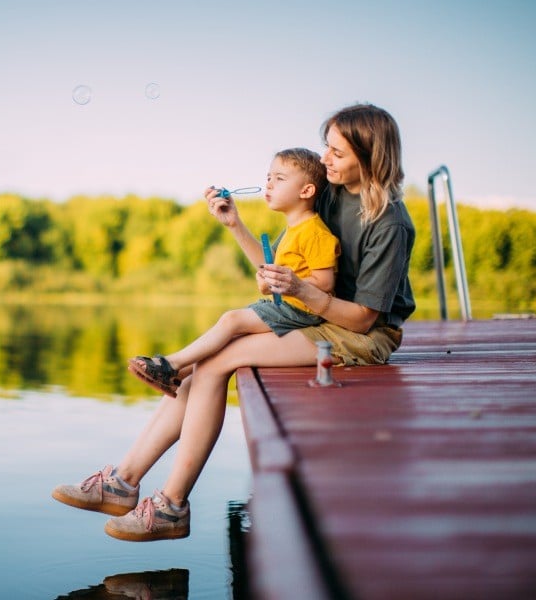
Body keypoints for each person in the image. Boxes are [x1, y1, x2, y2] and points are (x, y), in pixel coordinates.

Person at [51, 103, 415, 542]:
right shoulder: (330, 195)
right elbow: (275, 270)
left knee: (215, 363)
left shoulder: (389, 222)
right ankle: (122, 483)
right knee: (200, 366)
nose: (325, 160)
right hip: (313, 313)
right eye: (326, 147)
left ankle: (171, 506)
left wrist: (301, 290)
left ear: (371, 156)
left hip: (361, 335)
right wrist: (235, 225)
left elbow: (362, 318)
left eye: (337, 153)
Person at [127, 147, 340, 398]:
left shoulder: (315, 233)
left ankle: (171, 364)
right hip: (290, 307)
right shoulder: (294, 229)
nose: (269, 184)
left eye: (279, 179)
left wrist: (282, 283)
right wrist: (271, 280)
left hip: (302, 312)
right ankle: (175, 374)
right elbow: (284, 273)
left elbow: (325, 283)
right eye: (268, 177)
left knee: (232, 321)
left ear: (306, 191)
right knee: (231, 330)